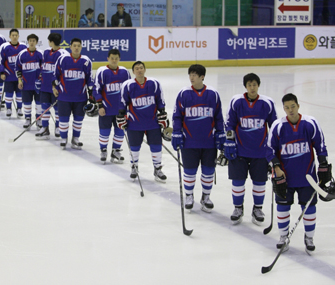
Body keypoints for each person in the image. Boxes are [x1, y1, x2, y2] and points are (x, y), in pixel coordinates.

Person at [266, 93, 331, 254]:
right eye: (287, 107)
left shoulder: (310, 123)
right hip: (284, 177)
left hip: (307, 177)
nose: (290, 110)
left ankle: (309, 237)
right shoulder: (278, 126)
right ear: (283, 109)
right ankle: (283, 237)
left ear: (298, 106)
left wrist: (323, 165)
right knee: (283, 207)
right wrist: (276, 167)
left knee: (309, 208)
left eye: (293, 106)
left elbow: (320, 145)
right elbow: (269, 149)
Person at [224, 73, 277, 225]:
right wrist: (229, 141)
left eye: (254, 85)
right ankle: (238, 208)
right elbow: (230, 124)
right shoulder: (237, 101)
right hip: (239, 150)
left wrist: (274, 149)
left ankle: (257, 209)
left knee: (260, 182)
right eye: (249, 85)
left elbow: (275, 127)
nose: (252, 88)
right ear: (245, 87)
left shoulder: (267, 103)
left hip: (260, 152)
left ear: (258, 86)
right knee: (238, 181)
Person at [171, 64, 225, 212]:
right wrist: (176, 132)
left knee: (208, 171)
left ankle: (206, 196)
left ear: (202, 77)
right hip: (189, 141)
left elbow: (218, 117)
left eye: (195, 75)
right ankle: (189, 196)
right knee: (189, 171)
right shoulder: (184, 94)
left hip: (209, 142)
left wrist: (220, 133)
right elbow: (177, 116)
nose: (192, 78)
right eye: (190, 75)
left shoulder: (213, 94)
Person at [117, 61, 168, 182]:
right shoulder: (128, 85)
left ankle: (157, 168)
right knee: (134, 147)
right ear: (133, 72)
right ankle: (134, 167)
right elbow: (123, 102)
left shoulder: (154, 83)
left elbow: (160, 99)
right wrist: (121, 116)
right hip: (134, 122)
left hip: (153, 122)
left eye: (141, 68)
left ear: (144, 70)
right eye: (137, 68)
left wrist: (162, 113)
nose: (139, 70)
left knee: (156, 146)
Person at [52, 38, 93, 150]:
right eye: (74, 45)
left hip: (80, 97)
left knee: (78, 120)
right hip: (64, 96)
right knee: (63, 119)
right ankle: (63, 139)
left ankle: (75, 139)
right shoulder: (62, 59)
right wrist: (54, 87)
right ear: (70, 47)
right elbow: (55, 75)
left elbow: (90, 79)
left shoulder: (86, 61)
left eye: (78, 46)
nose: (76, 48)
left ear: (81, 47)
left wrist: (92, 96)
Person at [93, 49, 131, 164]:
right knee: (104, 131)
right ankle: (103, 150)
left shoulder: (125, 72)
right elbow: (96, 89)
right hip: (106, 109)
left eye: (116, 58)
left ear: (119, 59)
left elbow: (129, 90)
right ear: (108, 58)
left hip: (120, 110)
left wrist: (129, 107)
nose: (114, 60)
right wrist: (100, 105)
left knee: (120, 131)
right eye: (112, 58)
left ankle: (116, 151)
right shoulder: (102, 71)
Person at [36, 33, 69, 140]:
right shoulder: (45, 52)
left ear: (51, 41)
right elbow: (43, 66)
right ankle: (45, 128)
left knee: (57, 109)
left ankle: (58, 127)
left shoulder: (63, 54)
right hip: (45, 86)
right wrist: (40, 77)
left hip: (57, 87)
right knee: (44, 107)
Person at [15, 34, 43, 126]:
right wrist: (19, 80)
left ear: (36, 42)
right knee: (27, 102)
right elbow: (18, 68)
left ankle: (38, 119)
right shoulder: (22, 54)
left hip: (38, 85)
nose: (32, 42)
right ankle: (27, 118)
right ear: (28, 42)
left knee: (39, 103)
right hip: (26, 84)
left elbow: (44, 69)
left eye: (33, 41)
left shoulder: (40, 54)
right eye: (30, 41)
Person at [0, 29, 27, 118]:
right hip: (8, 75)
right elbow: (0, 61)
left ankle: (19, 109)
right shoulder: (4, 46)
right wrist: (2, 72)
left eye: (16, 35)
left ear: (18, 36)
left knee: (19, 94)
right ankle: (9, 108)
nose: (14, 37)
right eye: (13, 35)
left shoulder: (23, 46)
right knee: (9, 93)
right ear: (10, 36)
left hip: (19, 77)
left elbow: (26, 61)